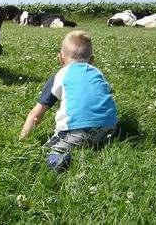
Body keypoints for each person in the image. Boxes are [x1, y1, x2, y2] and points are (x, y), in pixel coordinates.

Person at [19, 30, 117, 172]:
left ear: (61, 58)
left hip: (77, 131)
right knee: (94, 138)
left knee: (41, 152)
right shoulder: (98, 73)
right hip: (109, 127)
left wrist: (22, 140)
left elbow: (35, 115)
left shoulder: (60, 76)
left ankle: (57, 160)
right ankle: (99, 143)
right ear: (92, 60)